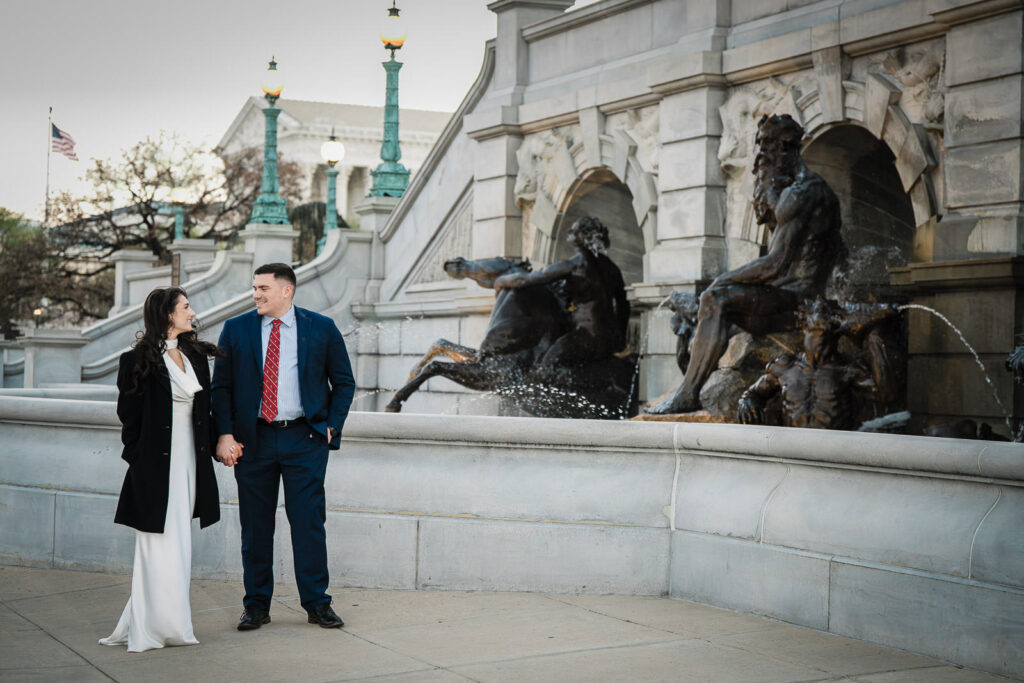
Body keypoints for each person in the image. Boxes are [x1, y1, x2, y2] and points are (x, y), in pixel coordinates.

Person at [648, 114, 843, 414]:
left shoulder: (802, 193)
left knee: (714, 299)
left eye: (768, 145)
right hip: (789, 296)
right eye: (760, 144)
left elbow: (775, 265)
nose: (760, 155)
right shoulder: (796, 192)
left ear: (788, 148)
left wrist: (720, 283)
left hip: (798, 302)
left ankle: (688, 393)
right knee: (712, 305)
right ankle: (698, 377)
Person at [212, 262, 355, 631]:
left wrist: (330, 428)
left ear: (286, 290)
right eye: (254, 288)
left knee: (308, 523)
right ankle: (256, 606)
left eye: (263, 288)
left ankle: (317, 603)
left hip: (304, 439)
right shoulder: (236, 329)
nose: (256, 294)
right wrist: (224, 434)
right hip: (253, 441)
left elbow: (344, 382)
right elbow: (221, 388)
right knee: (255, 528)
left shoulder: (320, 328)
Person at [100, 287, 222, 653]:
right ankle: (150, 627)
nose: (192, 311)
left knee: (179, 545)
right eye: (186, 307)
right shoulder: (135, 360)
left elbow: (206, 412)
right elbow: (129, 418)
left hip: (189, 465)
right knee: (155, 544)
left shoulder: (196, 356)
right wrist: (140, 461)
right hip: (155, 468)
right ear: (168, 315)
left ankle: (173, 623)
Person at [493, 216, 630, 366]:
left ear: (584, 236)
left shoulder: (574, 265)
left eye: (574, 230)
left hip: (587, 335)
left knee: (547, 364)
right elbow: (624, 306)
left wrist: (501, 281)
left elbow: (525, 280)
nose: (570, 232)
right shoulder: (612, 268)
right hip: (610, 337)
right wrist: (621, 338)